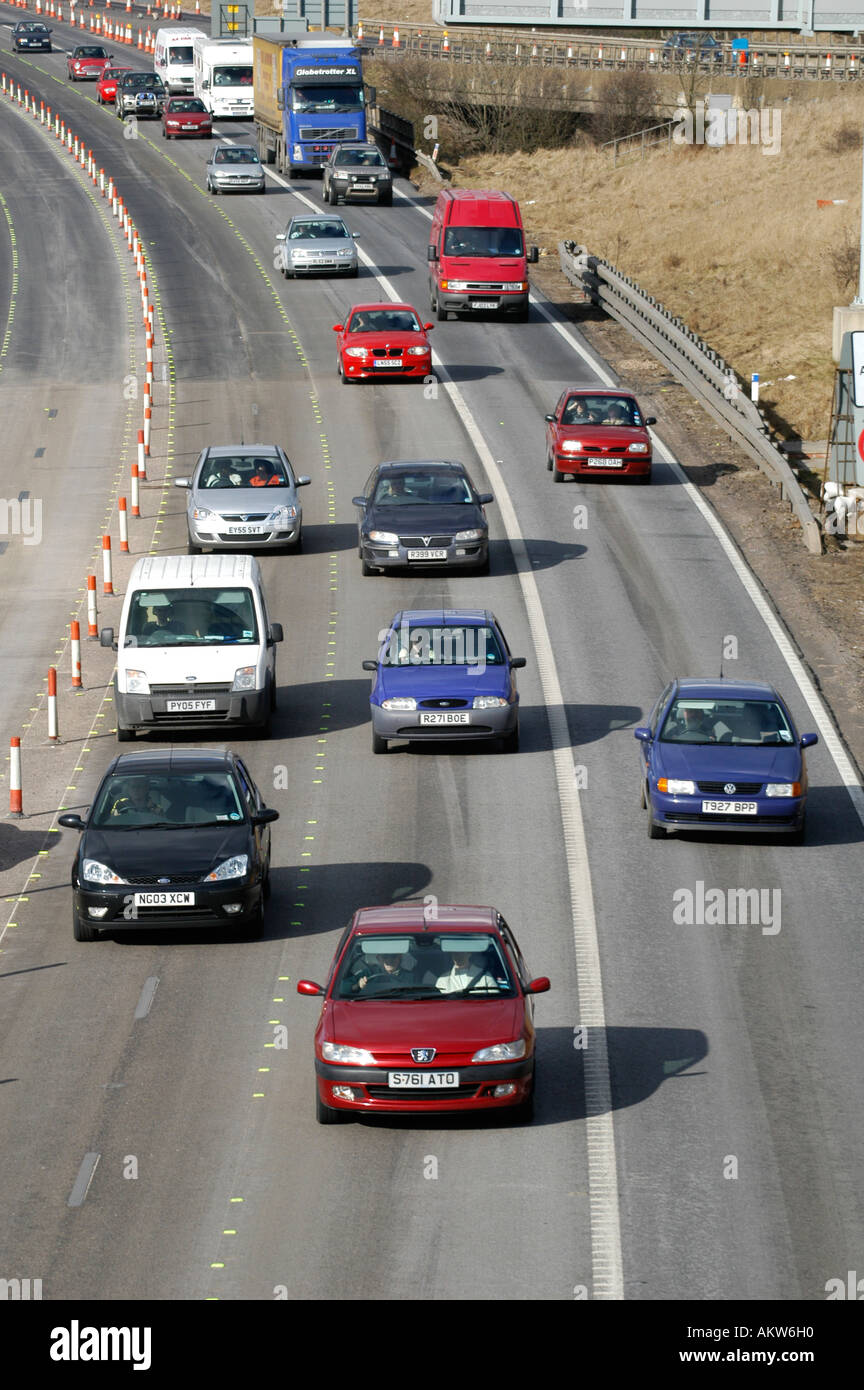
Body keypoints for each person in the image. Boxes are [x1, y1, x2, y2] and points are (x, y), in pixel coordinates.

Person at [432, 950, 499, 994]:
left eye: (460, 952)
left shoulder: (485, 976)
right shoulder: (443, 979)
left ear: (469, 953)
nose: (457, 955)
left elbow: (497, 1001)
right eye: (454, 952)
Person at [350, 951, 418, 995]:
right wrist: (358, 985)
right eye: (385, 956)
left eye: (393, 956)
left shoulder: (411, 976)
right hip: (372, 1005)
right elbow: (343, 988)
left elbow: (418, 994)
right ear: (379, 958)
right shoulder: (368, 972)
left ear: (400, 957)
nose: (389, 960)